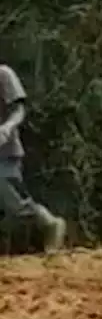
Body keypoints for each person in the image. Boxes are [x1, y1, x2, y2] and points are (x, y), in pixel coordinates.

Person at [0, 63, 65, 252]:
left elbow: (19, 110)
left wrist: (7, 127)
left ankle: (49, 223)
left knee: (13, 203)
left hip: (5, 152)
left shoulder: (3, 74)